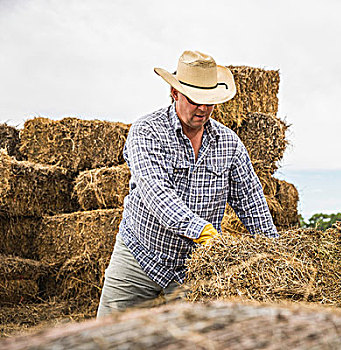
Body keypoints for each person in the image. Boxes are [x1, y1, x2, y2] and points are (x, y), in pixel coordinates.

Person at [96, 50, 278, 318]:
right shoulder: (147, 131)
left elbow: (251, 201)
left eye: (209, 101)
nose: (203, 109)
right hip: (141, 254)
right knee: (108, 336)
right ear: (174, 93)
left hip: (194, 268)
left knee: (195, 340)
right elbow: (156, 192)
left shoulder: (229, 143)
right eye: (194, 100)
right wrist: (201, 231)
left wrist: (273, 250)